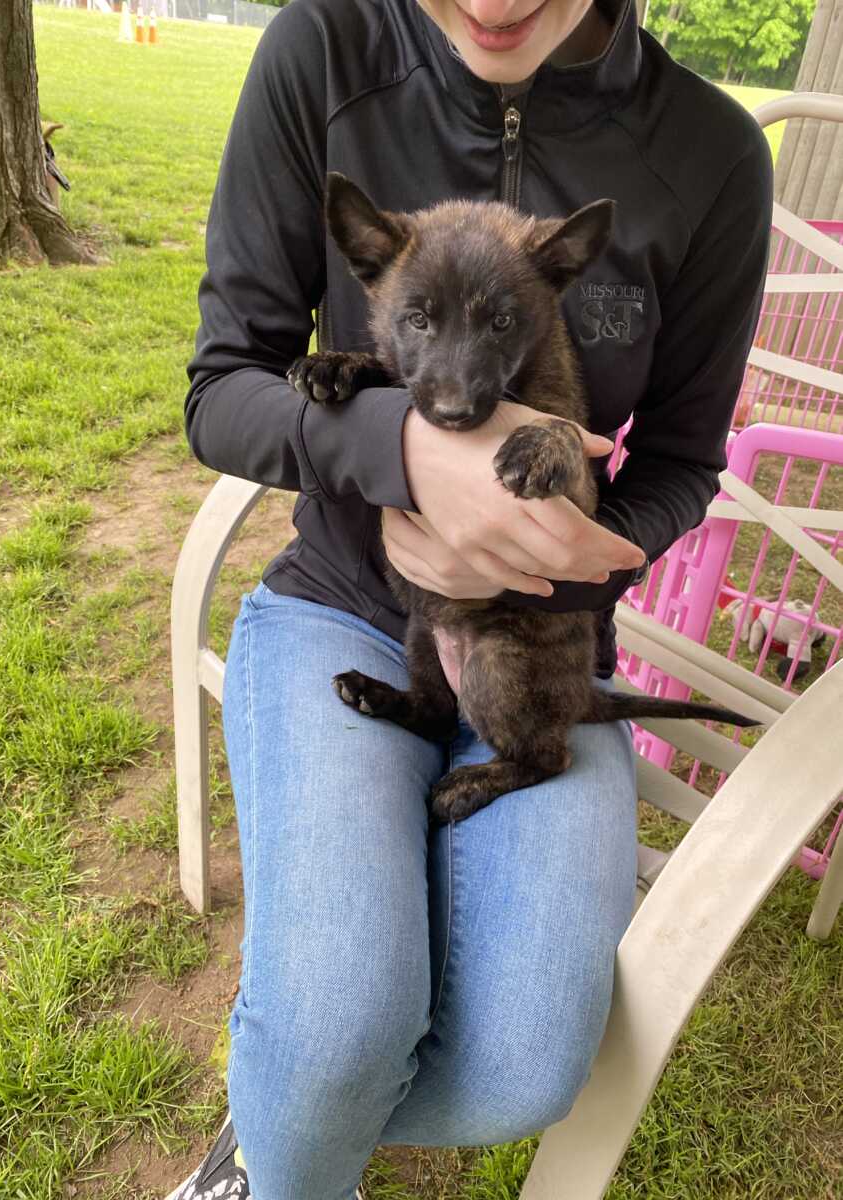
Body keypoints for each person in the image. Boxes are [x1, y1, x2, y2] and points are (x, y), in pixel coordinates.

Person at [168, 1, 772, 1197]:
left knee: (528, 1063)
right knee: (337, 1024)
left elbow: (683, 465)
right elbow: (222, 392)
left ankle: (292, 1110)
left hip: (540, 641)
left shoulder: (709, 158)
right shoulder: (322, 56)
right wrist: (400, 448)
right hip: (348, 601)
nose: (495, 4)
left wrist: (558, 554)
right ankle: (288, 1128)